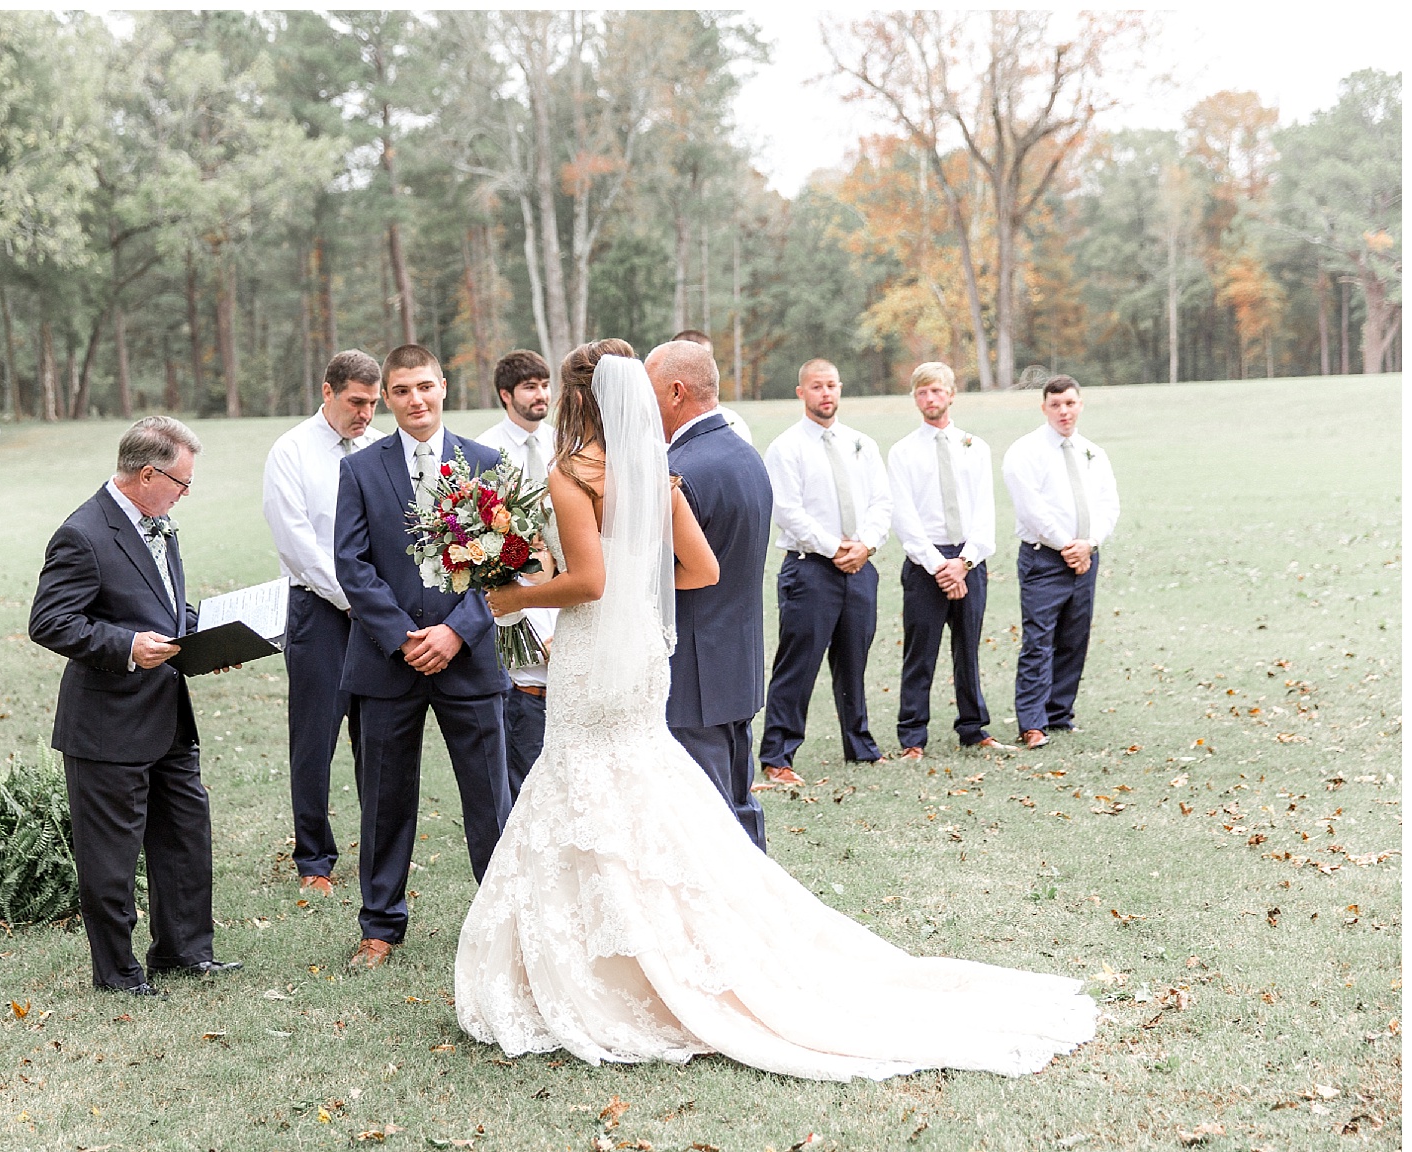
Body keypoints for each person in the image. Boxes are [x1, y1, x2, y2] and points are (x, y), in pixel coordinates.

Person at [456, 341, 1097, 1080]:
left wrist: (515, 595)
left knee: (587, 779)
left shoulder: (573, 475)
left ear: (575, 400)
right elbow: (702, 569)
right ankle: (651, 946)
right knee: (638, 784)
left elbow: (589, 582)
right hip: (639, 659)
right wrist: (636, 569)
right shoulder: (654, 474)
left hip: (595, 654)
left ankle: (607, 966)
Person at [28, 417, 240, 996]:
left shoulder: (158, 522)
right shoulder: (83, 533)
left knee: (185, 836)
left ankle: (184, 951)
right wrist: (125, 647)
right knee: (112, 857)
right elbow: (49, 622)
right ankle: (118, 972)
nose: (184, 495)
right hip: (108, 724)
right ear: (147, 473)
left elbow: (163, 607)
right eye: (181, 483)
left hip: (169, 713)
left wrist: (210, 639)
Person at [332, 344, 512, 971]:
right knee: (384, 797)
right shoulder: (360, 471)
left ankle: (502, 920)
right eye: (402, 390)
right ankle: (380, 927)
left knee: (490, 796)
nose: (416, 400)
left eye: (426, 387)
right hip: (389, 661)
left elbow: (506, 566)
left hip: (467, 658)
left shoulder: (486, 462)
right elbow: (351, 566)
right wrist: (407, 636)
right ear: (388, 397)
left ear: (445, 387)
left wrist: (456, 633)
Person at [262, 351, 385, 897]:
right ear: (328, 391)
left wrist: (378, 606)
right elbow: (297, 543)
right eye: (356, 402)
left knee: (378, 735)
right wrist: (352, 601)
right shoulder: (291, 451)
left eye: (372, 403)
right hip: (318, 609)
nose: (365, 413)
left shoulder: (380, 447)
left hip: (376, 612)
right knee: (314, 738)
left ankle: (381, 849)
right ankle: (314, 859)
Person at [647, 339, 773, 850]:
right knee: (738, 803)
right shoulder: (745, 455)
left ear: (676, 392)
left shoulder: (682, 471)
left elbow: (670, 573)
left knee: (709, 815)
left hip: (694, 672)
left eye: (651, 395)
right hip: (735, 660)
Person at [757, 359, 891, 783]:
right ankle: (778, 756)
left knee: (854, 660)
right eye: (816, 386)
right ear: (801, 392)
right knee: (798, 664)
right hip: (810, 569)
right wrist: (835, 548)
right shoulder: (786, 447)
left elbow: (882, 502)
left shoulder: (862, 444)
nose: (826, 394)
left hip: (860, 566)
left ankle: (861, 746)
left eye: (832, 385)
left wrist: (865, 545)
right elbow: (788, 511)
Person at [887, 363, 1015, 758]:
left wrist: (966, 560)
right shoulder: (903, 452)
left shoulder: (974, 447)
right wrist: (938, 565)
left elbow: (984, 509)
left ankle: (973, 727)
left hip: (968, 558)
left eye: (937, 391)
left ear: (952, 394)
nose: (931, 399)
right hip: (927, 562)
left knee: (968, 648)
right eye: (923, 393)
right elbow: (904, 516)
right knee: (920, 650)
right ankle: (912, 736)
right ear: (915, 399)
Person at [1001, 375, 1121, 749]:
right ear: (1044, 408)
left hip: (1086, 556)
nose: (1064, 411)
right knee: (1040, 640)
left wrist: (1090, 543)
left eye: (1070, 403)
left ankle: (1059, 714)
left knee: (1074, 637)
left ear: (1080, 404)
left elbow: (1108, 502)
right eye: (1056, 405)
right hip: (1045, 559)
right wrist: (1067, 545)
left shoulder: (1092, 452)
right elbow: (1031, 507)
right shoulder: (1025, 451)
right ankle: (1032, 723)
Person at [472, 349, 559, 805]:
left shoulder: (564, 441)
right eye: (529, 386)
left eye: (545, 384)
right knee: (522, 731)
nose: (541, 394)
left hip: (564, 592)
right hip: (513, 605)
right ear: (506, 395)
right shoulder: (486, 451)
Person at [670, 328, 753, 446]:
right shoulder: (656, 429)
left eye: (704, 362)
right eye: (686, 364)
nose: (696, 371)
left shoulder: (733, 425)